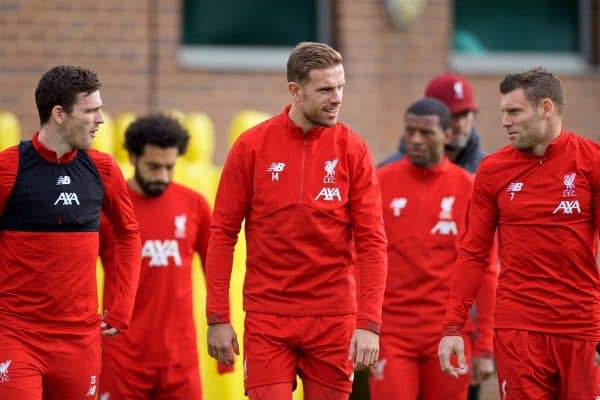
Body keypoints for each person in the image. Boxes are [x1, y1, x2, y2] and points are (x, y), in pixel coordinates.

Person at [205, 41, 388, 400]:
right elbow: (223, 233)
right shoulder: (251, 147)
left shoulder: (354, 150)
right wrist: (217, 318)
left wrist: (369, 324)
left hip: (333, 319)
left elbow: (373, 242)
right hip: (268, 318)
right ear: (295, 91)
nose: (336, 98)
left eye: (340, 88)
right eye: (325, 90)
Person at [438, 68, 600, 399]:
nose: (504, 121)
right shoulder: (493, 170)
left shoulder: (591, 162)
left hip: (583, 328)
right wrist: (453, 326)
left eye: (514, 111)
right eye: (502, 112)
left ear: (546, 108)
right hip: (519, 329)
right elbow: (473, 253)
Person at [0, 65, 141, 400]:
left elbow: (128, 235)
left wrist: (121, 306)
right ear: (59, 114)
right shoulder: (8, 168)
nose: (100, 119)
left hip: (79, 339)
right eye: (91, 110)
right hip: (15, 333)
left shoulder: (103, 168)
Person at [372, 73, 496, 400]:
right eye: (410, 131)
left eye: (425, 133)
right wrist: (361, 327)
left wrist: (485, 343)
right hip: (392, 333)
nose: (415, 140)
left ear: (447, 134)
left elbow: (486, 270)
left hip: (449, 333)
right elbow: (359, 258)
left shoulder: (470, 187)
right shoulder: (379, 181)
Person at [98, 113, 223, 399]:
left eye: (169, 167)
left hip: (179, 358)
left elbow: (216, 271)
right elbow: (75, 274)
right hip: (121, 356)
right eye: (154, 167)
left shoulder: (194, 205)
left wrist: (220, 323)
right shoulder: (107, 209)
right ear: (131, 157)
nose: (163, 176)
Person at [378, 73, 484, 173]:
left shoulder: (488, 169)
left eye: (465, 115)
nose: (460, 124)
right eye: (452, 116)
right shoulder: (387, 173)